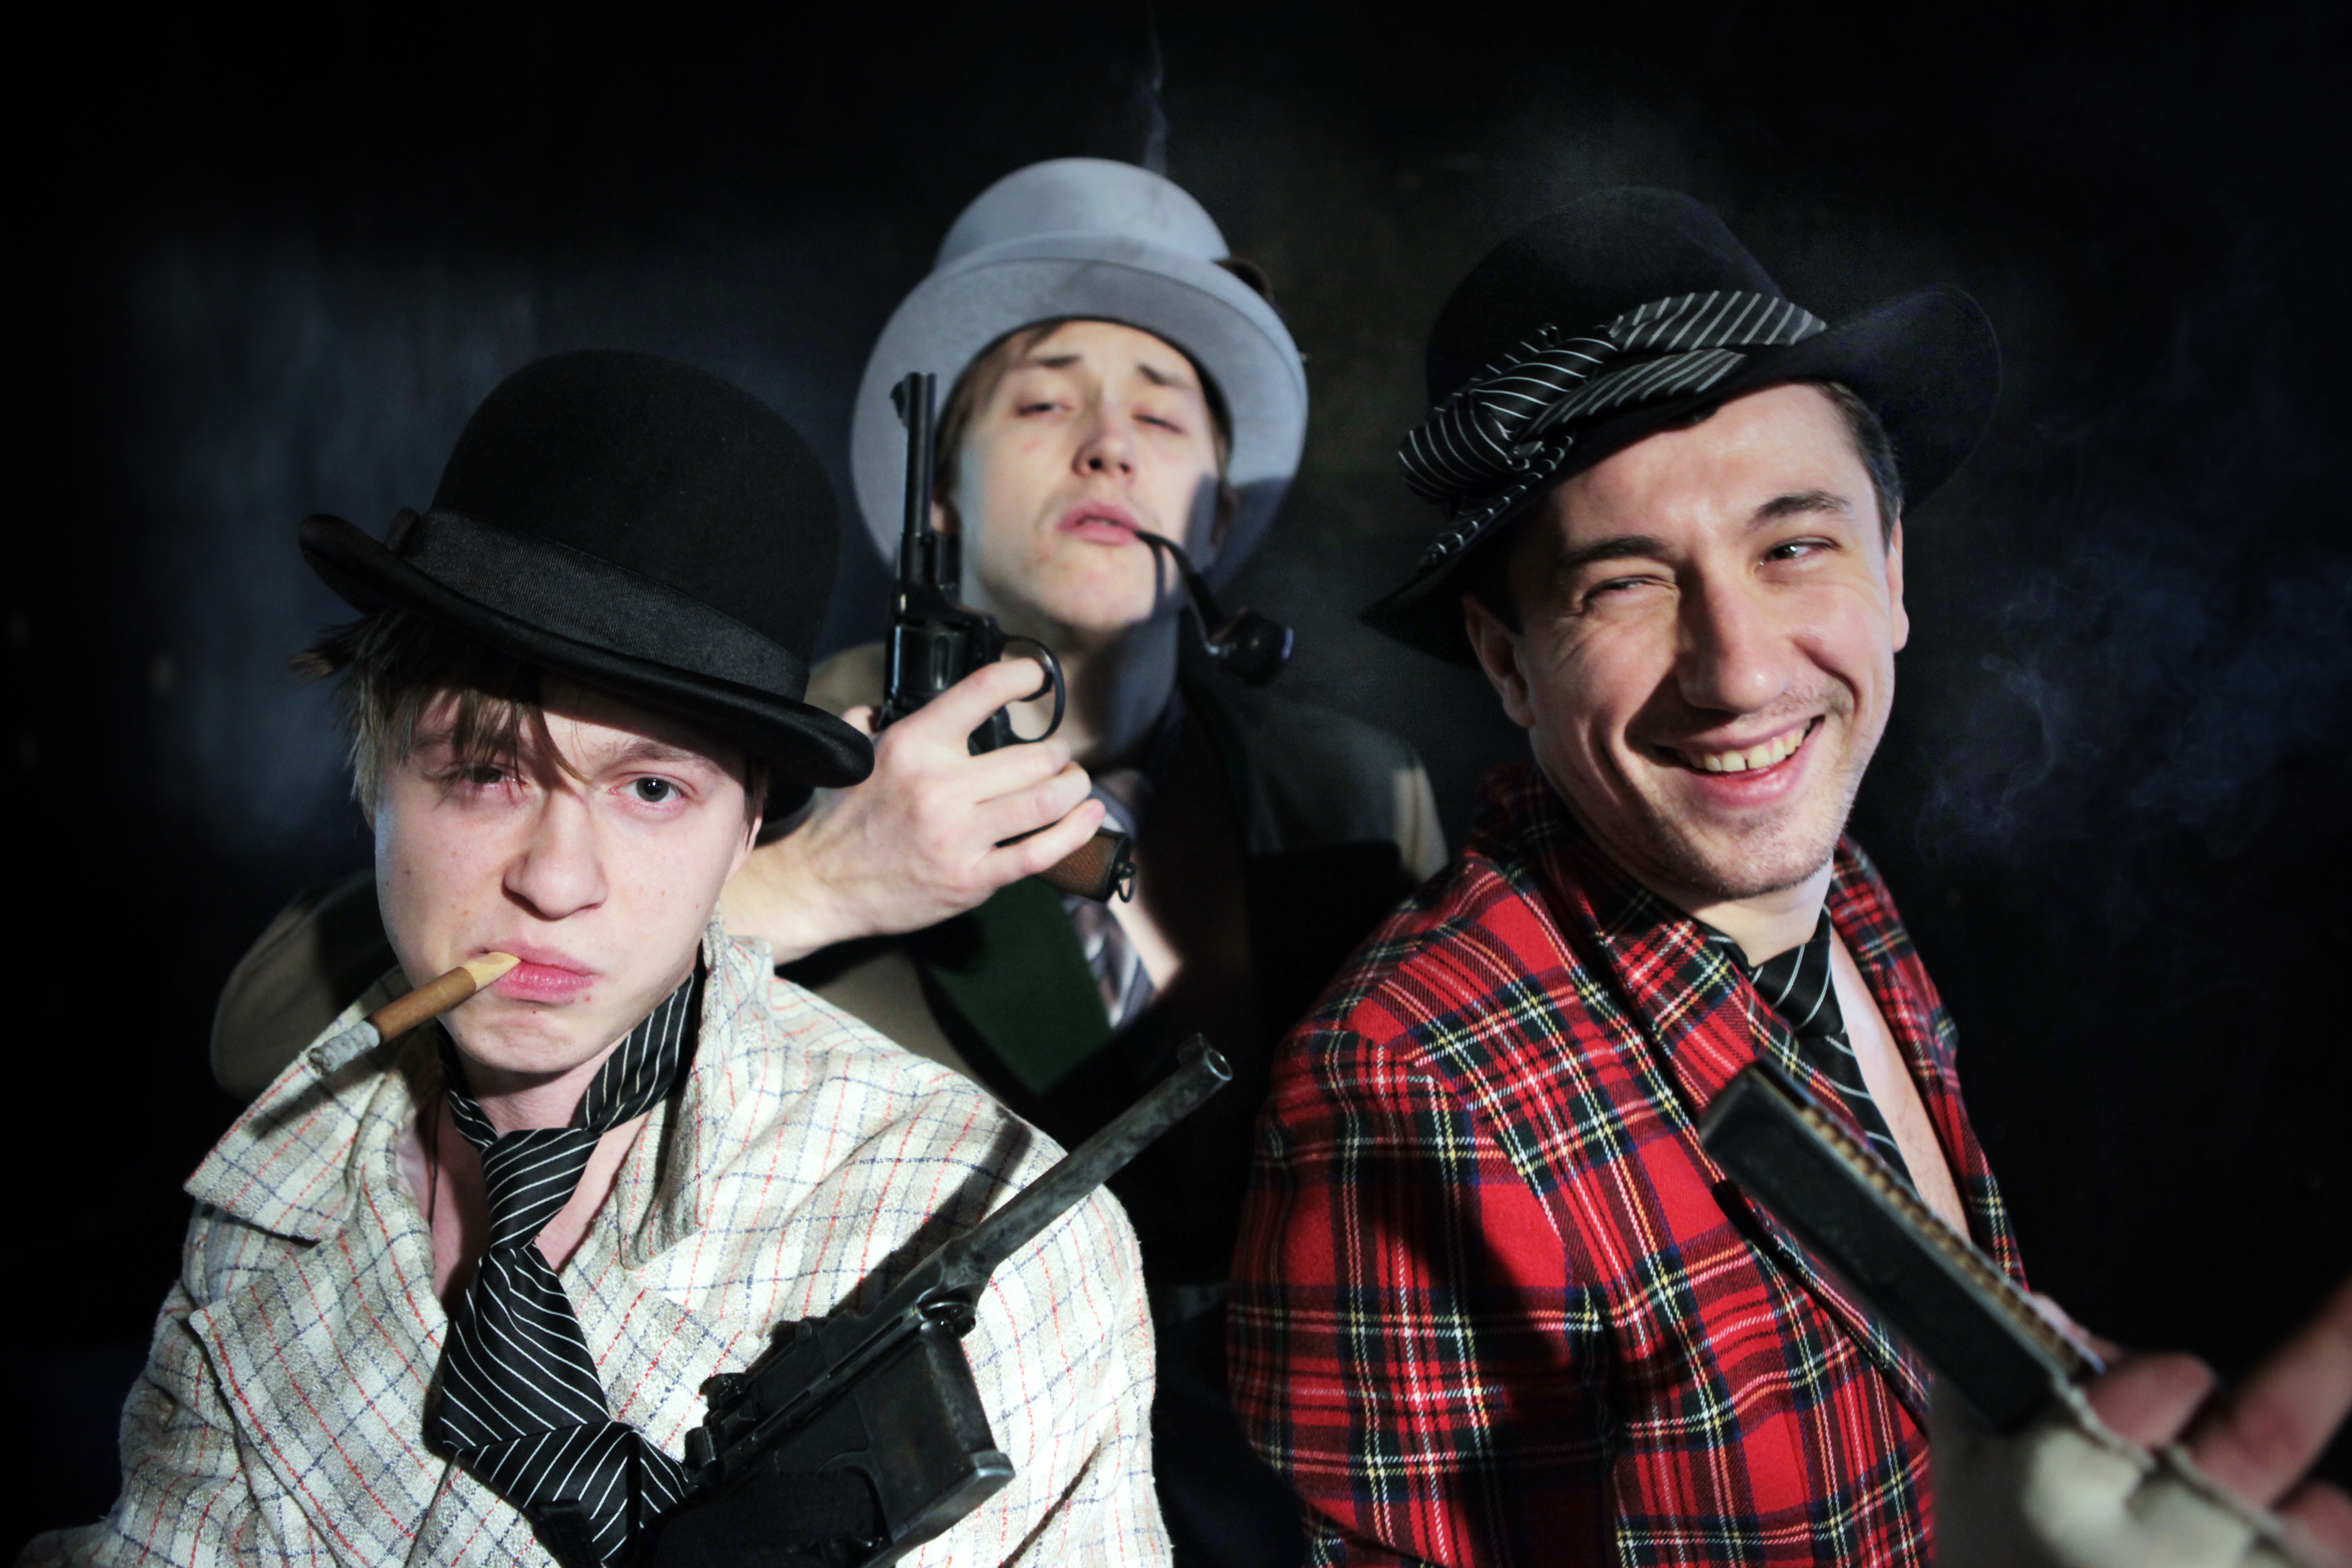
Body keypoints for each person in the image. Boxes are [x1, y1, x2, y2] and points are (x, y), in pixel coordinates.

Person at [205, 160, 1443, 1568]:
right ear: (938, 496)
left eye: (1162, 413)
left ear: (1218, 510)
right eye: (1042, 403)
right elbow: (267, 1047)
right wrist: (812, 882)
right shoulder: (746, 742)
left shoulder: (1360, 793)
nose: (1109, 445)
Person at [27, 352, 1164, 1567]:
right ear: (373, 781)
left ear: (750, 821)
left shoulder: (987, 1241)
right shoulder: (269, 1196)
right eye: (486, 773)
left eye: (653, 788)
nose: (557, 880)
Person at [1223, 186, 2020, 1565]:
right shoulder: (1408, 1094)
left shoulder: (1844, 888)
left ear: (1892, 569)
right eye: (1627, 584)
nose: (1742, 673)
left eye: (1794, 546)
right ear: (1507, 661)